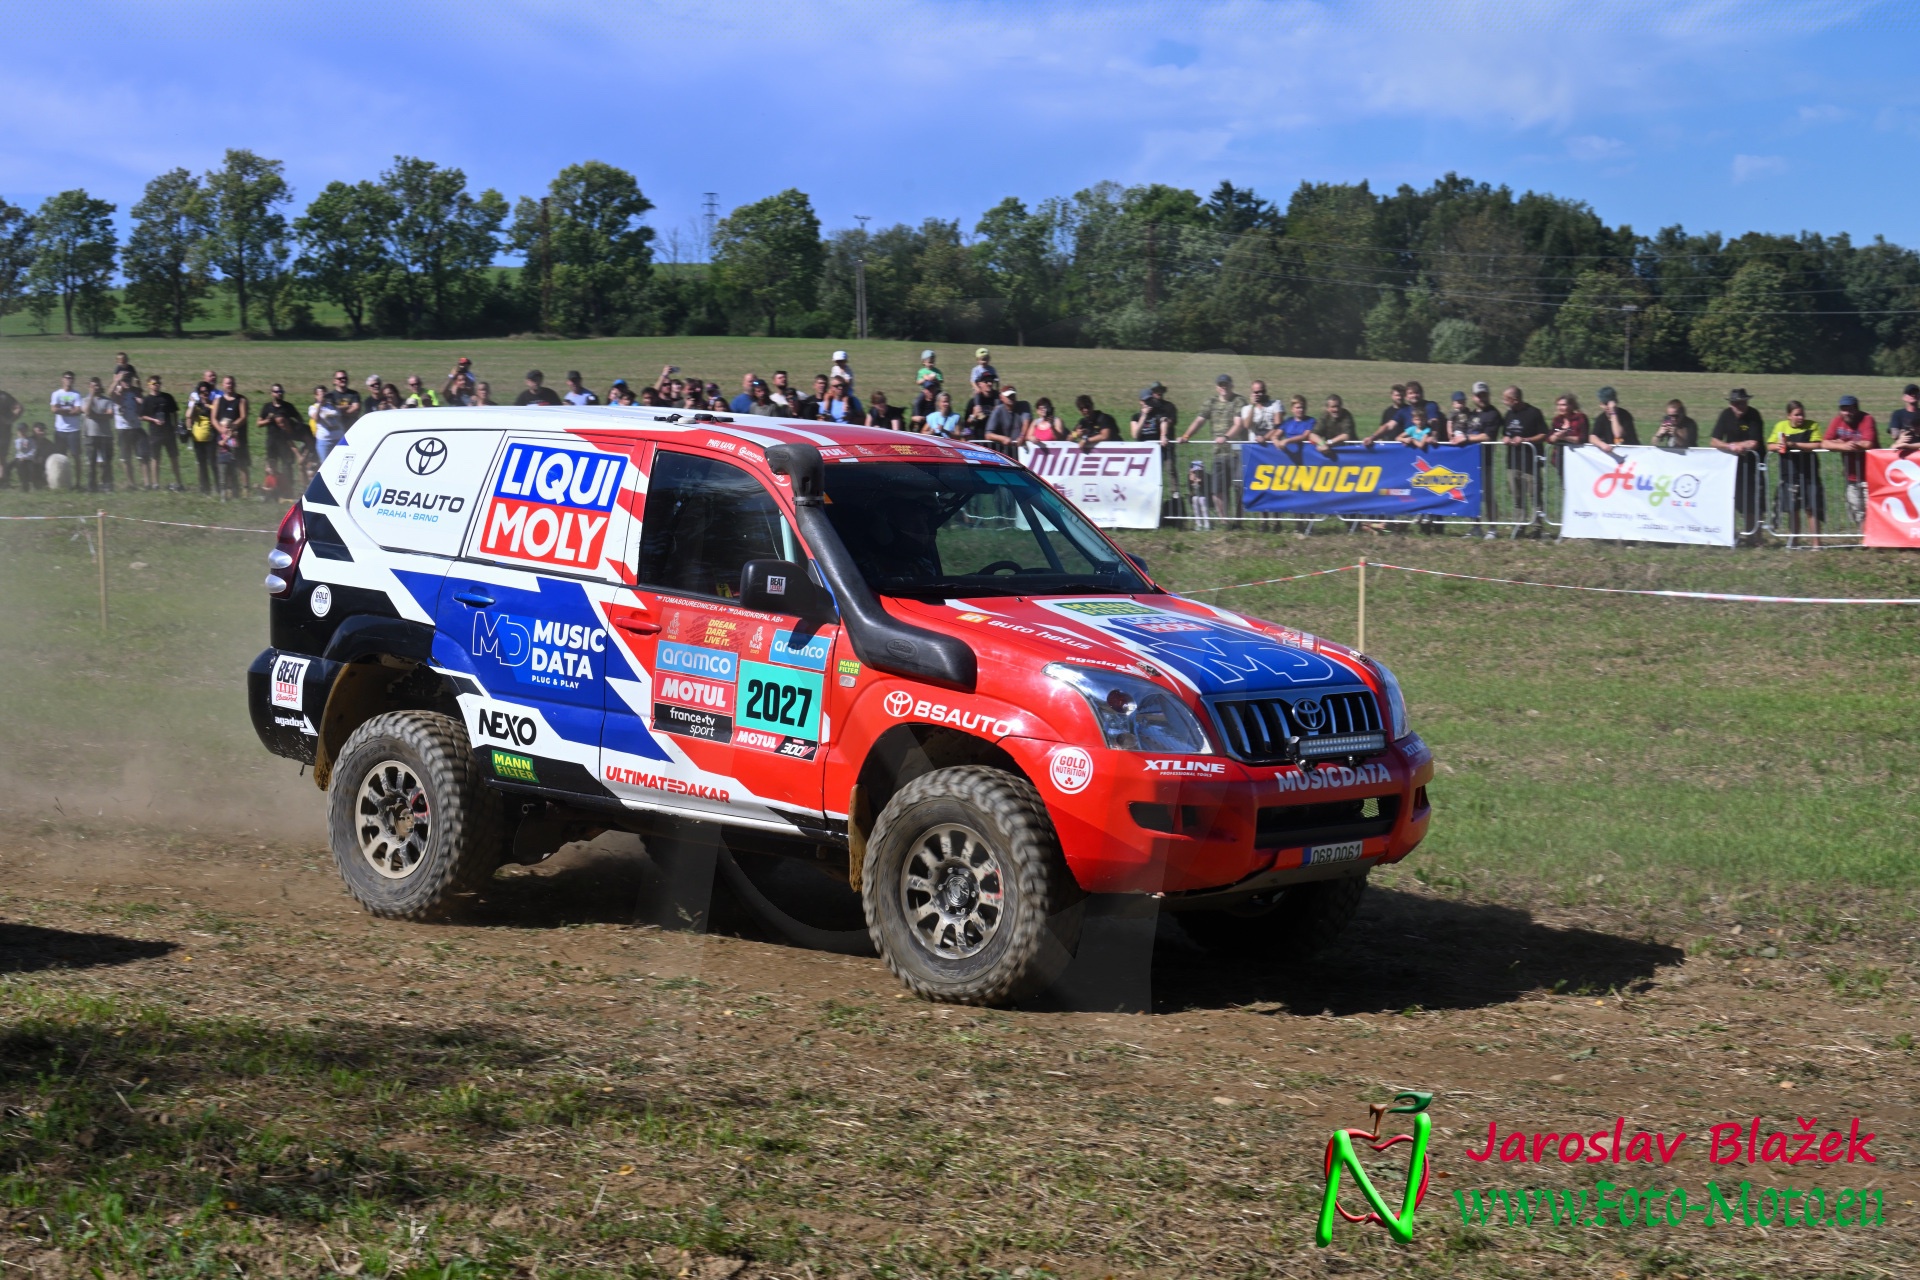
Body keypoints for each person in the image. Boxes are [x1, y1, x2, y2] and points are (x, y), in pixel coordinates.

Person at [1712, 388, 1766, 541]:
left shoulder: (1754, 415)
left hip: (1753, 465)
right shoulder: (1725, 415)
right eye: (1736, 403)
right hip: (1732, 466)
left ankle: (1755, 537)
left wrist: (1740, 446)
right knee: (1733, 500)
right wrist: (1730, 446)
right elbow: (1714, 441)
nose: (1740, 406)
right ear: (1731, 404)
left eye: (1743, 403)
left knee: (1754, 501)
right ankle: (1729, 536)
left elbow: (1754, 442)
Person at [1767, 400, 1826, 541]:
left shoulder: (1812, 425)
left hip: (1809, 473)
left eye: (1802, 414)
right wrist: (1778, 446)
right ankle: (1794, 542)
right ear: (1789, 416)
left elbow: (1816, 445)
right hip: (1789, 474)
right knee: (1792, 509)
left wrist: (1793, 444)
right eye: (1797, 415)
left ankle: (1816, 544)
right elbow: (1769, 445)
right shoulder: (1780, 426)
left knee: (1811, 509)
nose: (1801, 417)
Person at [1823, 394, 1879, 526]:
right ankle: (1864, 535)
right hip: (1851, 476)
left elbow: (1868, 443)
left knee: (1873, 509)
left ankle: (1873, 536)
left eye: (1850, 409)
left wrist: (1844, 443)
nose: (1846, 412)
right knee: (1857, 511)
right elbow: (1825, 443)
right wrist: (1842, 446)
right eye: (1843, 409)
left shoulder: (1867, 419)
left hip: (1871, 475)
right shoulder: (1837, 421)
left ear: (1856, 409)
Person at [1501, 386, 1549, 535]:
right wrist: (1506, 438)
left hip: (1530, 462)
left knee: (1535, 496)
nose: (1504, 402)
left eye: (1506, 399)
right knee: (1517, 497)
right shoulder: (1509, 414)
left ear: (1515, 400)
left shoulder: (1534, 413)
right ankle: (1519, 526)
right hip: (1513, 462)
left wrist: (1526, 440)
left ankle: (1537, 528)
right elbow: (1506, 433)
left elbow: (1544, 434)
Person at [258, 383, 310, 496]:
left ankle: (288, 490)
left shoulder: (288, 406)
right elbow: (258, 423)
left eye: (281, 391)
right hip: (272, 440)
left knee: (287, 465)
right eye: (276, 392)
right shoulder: (267, 407)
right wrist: (268, 420)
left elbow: (300, 419)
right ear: (272, 393)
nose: (279, 394)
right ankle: (270, 489)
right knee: (271, 465)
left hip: (286, 441)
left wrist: (294, 426)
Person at [141, 375, 184, 491]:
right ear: (149, 385)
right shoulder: (147, 400)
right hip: (155, 434)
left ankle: (179, 483)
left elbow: (174, 412)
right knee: (155, 458)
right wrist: (153, 420)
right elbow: (142, 416)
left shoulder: (167, 397)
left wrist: (175, 426)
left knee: (174, 457)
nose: (157, 385)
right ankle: (155, 484)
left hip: (169, 433)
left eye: (158, 383)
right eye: (154, 384)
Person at [1179, 374, 1246, 445]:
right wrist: (1185, 436)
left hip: (1236, 447)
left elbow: (1238, 424)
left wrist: (1226, 438)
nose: (1224, 387)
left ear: (1232, 386)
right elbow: (1199, 421)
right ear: (1216, 387)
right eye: (1221, 384)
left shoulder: (1239, 401)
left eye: (1226, 384)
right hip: (1218, 447)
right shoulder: (1211, 401)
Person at [215, 375, 251, 496]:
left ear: (234, 384)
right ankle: (230, 489)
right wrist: (222, 431)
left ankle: (246, 489)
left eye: (231, 383)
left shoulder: (241, 400)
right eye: (227, 383)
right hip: (224, 438)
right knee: (227, 463)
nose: (229, 385)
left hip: (238, 437)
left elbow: (243, 417)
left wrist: (232, 427)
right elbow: (213, 418)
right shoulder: (218, 401)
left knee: (242, 464)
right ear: (223, 385)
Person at [112, 370, 146, 490]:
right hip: (123, 428)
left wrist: (140, 401)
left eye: (128, 380)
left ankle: (147, 483)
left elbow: (143, 405)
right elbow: (110, 393)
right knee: (126, 458)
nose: (127, 382)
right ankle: (131, 483)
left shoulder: (136, 391)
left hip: (136, 427)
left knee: (142, 456)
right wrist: (116, 381)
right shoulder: (117, 392)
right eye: (124, 380)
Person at [82, 376, 116, 492]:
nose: (95, 388)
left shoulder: (107, 400)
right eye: (93, 386)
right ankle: (92, 486)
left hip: (105, 435)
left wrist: (96, 415)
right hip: (90, 435)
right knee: (91, 463)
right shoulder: (85, 400)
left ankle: (107, 485)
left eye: (97, 385)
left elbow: (110, 415)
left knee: (107, 462)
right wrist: (91, 396)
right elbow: (87, 412)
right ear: (89, 387)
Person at [184, 381, 219, 493]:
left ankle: (218, 487)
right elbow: (188, 415)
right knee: (202, 464)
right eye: (202, 392)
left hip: (211, 439)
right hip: (198, 439)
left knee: (213, 463)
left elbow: (216, 413)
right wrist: (193, 403)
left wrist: (208, 405)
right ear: (199, 394)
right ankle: (205, 488)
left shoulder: (214, 404)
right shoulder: (197, 406)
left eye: (206, 391)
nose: (205, 394)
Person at [50, 371, 86, 462]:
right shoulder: (56, 394)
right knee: (60, 457)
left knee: (76, 456)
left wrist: (61, 410)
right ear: (62, 379)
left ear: (73, 380)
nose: (69, 380)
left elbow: (78, 410)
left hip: (74, 429)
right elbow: (54, 410)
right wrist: (69, 410)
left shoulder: (76, 394)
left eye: (71, 378)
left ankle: (78, 472)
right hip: (60, 430)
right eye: (67, 378)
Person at [308, 385, 347, 462]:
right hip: (325, 441)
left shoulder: (332, 406)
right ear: (316, 396)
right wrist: (320, 404)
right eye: (321, 394)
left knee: (342, 462)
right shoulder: (313, 408)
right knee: (326, 464)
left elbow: (339, 418)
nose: (323, 395)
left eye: (325, 393)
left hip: (339, 439)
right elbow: (316, 418)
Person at [986, 384, 1031, 448]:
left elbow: (1026, 422)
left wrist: (1022, 436)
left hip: (1021, 448)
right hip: (1003, 449)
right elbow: (988, 435)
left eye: (1013, 395)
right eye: (1008, 396)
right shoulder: (998, 410)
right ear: (1001, 397)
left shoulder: (1024, 405)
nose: (1011, 398)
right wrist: (1002, 438)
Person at [0, 383, 20, 487]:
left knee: (2, 457)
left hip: (3, 432)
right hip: (4, 432)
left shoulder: (3, 397)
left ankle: (3, 482)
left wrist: (9, 421)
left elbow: (19, 408)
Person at [13, 421, 43, 490]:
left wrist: (26, 457)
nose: (23, 433)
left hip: (29, 459)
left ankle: (33, 483)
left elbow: (33, 450)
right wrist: (21, 439)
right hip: (20, 459)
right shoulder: (17, 441)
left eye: (24, 431)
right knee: (19, 467)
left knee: (31, 470)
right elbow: (19, 449)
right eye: (21, 431)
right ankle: (23, 483)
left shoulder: (31, 440)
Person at [1889, 383, 1920, 448]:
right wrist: (1900, 438)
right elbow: (1894, 435)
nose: (1913, 395)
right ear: (1904, 397)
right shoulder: (1898, 414)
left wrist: (1908, 445)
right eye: (1910, 393)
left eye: (1915, 393)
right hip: (1903, 447)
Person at [1187, 460, 1214, 529]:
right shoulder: (1190, 477)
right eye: (1195, 472)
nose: (1198, 473)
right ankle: (1198, 524)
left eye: (1200, 471)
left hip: (1207, 497)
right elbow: (1191, 492)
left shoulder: (1207, 477)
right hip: (1196, 497)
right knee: (1195, 499)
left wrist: (1201, 482)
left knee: (1202, 499)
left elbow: (1209, 491)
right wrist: (1192, 482)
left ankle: (1207, 523)